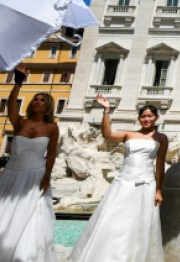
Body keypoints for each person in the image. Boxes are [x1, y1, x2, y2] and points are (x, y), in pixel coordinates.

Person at [0, 65, 58, 262]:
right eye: (35, 99)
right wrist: (18, 82)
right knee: (1, 216)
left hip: (35, 175)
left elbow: (51, 154)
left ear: (48, 105)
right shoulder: (20, 123)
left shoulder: (52, 127)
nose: (37, 101)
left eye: (42, 100)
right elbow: (11, 106)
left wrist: (47, 178)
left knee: (31, 219)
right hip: (12, 174)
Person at [70, 99, 168, 262]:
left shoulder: (161, 138)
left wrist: (158, 190)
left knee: (140, 223)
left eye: (150, 116)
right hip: (124, 182)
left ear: (156, 118)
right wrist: (107, 110)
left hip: (146, 184)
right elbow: (107, 135)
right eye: (143, 116)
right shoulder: (129, 134)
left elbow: (159, 166)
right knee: (113, 218)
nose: (146, 119)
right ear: (139, 118)